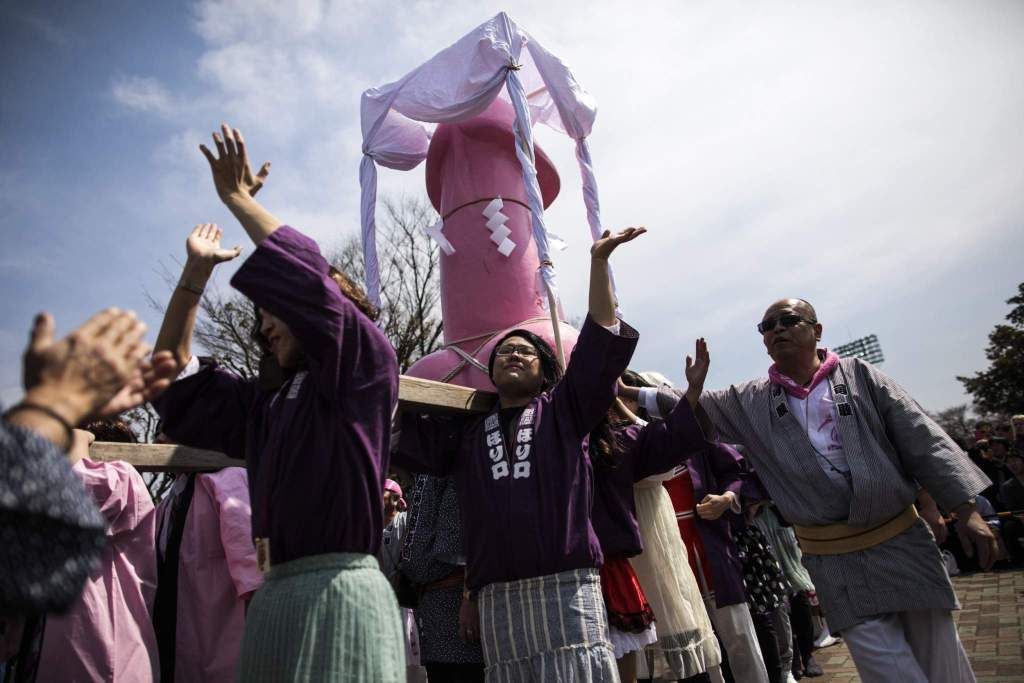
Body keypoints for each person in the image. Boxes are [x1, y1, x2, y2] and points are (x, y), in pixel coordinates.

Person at [151, 125, 403, 681]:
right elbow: (169, 380)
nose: (263, 324)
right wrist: (195, 275)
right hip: (272, 597)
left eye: (273, 305)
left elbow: (310, 285)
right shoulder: (265, 406)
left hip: (338, 590)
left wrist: (238, 201)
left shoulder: (364, 367)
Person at [640, 298, 994, 683]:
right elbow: (685, 405)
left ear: (817, 330)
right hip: (833, 557)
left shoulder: (861, 376)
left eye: (788, 320)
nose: (777, 329)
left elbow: (922, 440)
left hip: (900, 539)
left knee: (942, 659)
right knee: (887, 669)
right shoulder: (751, 400)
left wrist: (968, 511)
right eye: (767, 326)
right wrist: (629, 389)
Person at [394, 226, 646, 682]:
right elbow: (406, 437)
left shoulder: (566, 413)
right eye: (504, 351)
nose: (512, 354)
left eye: (524, 352)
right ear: (490, 373)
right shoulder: (467, 437)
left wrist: (598, 264)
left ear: (544, 370)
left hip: (566, 587)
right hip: (497, 596)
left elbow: (598, 347)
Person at [589, 347, 713, 683]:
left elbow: (672, 438)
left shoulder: (620, 436)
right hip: (585, 564)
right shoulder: (555, 435)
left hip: (643, 540)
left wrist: (692, 393)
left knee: (674, 621)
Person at [36, 420, 160, 683]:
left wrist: (77, 442)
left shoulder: (122, 476)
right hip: (74, 648)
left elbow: (81, 496)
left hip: (106, 651)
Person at [152, 444, 262, 682]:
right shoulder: (169, 501)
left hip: (227, 652)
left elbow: (256, 576)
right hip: (181, 650)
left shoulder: (228, 481)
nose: (159, 435)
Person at [398, 474, 485, 683]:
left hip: (455, 605)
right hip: (431, 608)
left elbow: (462, 547)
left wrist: (469, 596)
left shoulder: (454, 468)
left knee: (462, 673)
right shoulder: (426, 471)